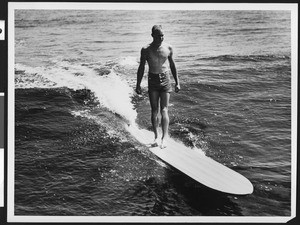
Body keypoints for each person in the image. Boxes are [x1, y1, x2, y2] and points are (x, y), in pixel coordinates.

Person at [136, 25, 180, 148]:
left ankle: (164, 138)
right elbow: (141, 67)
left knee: (164, 109)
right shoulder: (146, 49)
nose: (161, 38)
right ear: (152, 36)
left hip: (166, 80)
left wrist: (177, 82)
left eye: (162, 35)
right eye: (158, 35)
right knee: (154, 109)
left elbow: (172, 66)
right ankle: (156, 137)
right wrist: (138, 84)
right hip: (153, 80)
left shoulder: (168, 48)